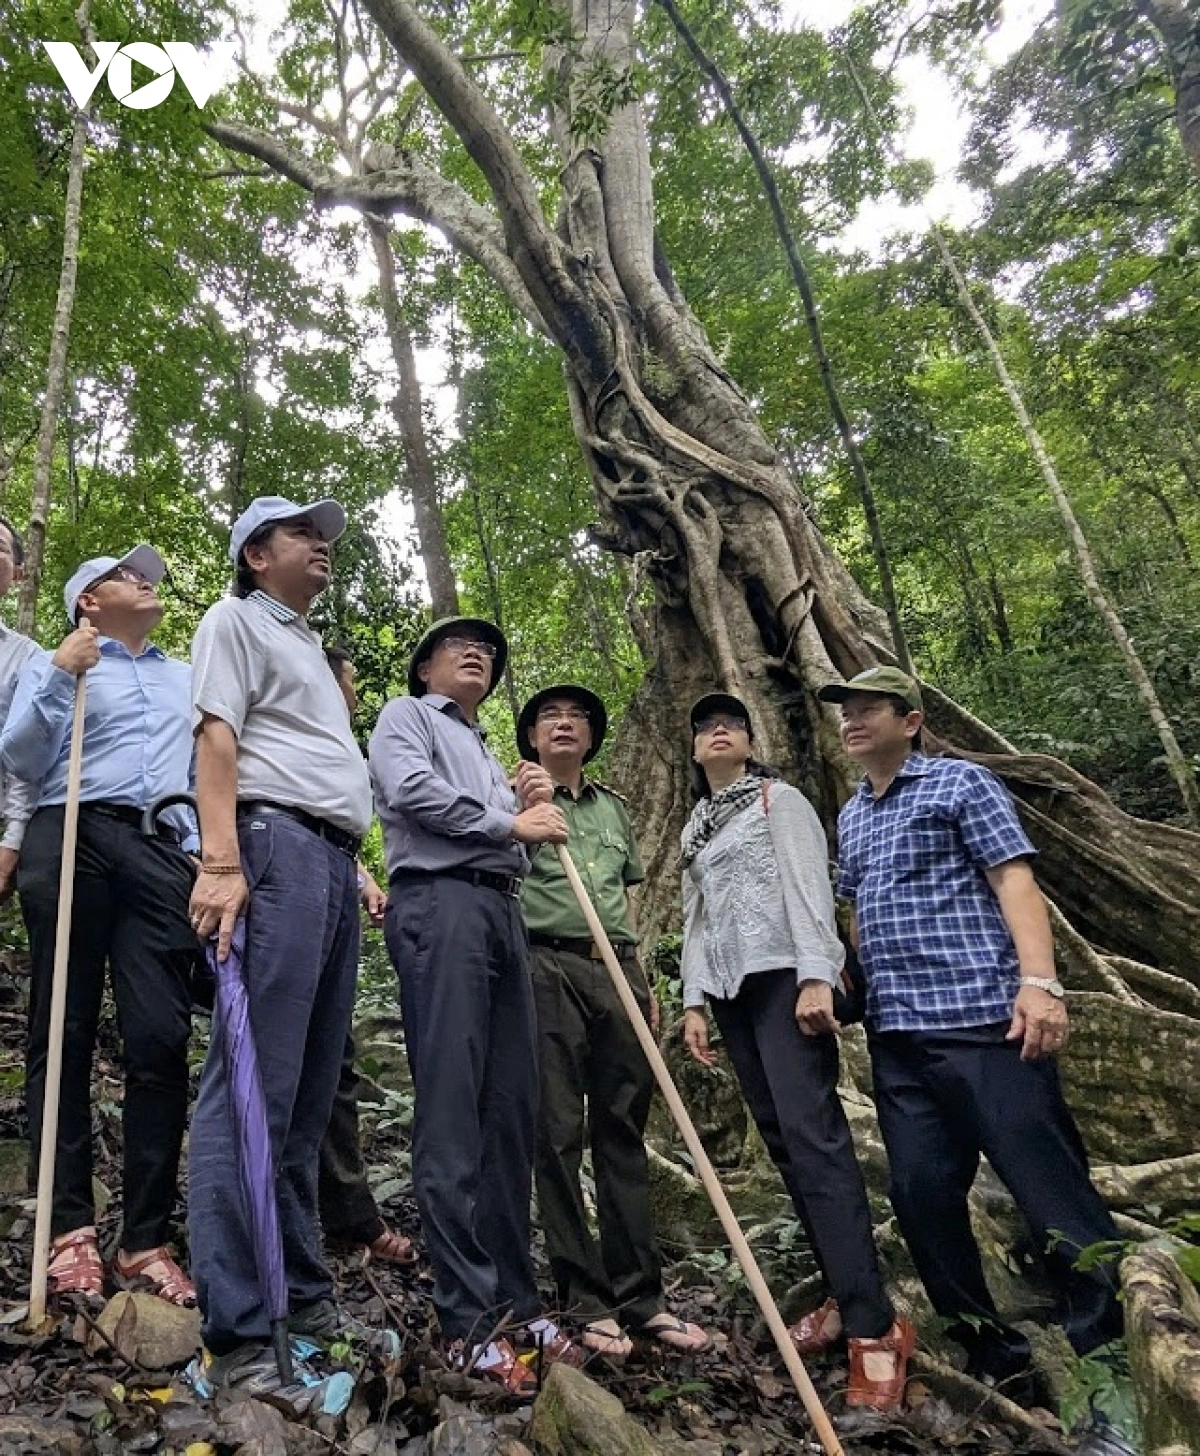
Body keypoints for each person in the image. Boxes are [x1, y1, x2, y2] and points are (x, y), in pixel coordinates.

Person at [818, 665, 1122, 1394]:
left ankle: (1111, 1364)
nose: (852, 721)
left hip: (986, 1023)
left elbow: (1013, 878)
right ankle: (997, 1359)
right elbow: (857, 909)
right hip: (899, 1041)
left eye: (869, 709)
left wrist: (1040, 984)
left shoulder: (961, 786)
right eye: (846, 711)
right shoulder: (853, 814)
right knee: (921, 1196)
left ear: (911, 719)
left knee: (1050, 1193)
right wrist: (845, 977)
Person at [187, 497, 384, 1398]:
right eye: (303, 533)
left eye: (323, 534)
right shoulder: (234, 619)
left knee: (306, 1094)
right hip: (270, 849)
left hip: (329, 863)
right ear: (256, 555)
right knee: (252, 1087)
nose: (321, 546)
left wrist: (353, 871)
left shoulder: (304, 642)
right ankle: (237, 1333)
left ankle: (302, 1300)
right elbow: (217, 735)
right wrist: (221, 860)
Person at [368, 618, 585, 1396]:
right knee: (454, 1107)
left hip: (501, 912)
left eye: (489, 650)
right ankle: (466, 1317)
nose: (478, 654)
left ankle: (517, 1302)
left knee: (510, 1112)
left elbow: (520, 846)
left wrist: (526, 811)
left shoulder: (497, 757)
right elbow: (409, 792)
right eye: (458, 646)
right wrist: (508, 820)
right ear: (425, 666)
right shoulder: (406, 717)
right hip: (440, 906)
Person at [680, 692, 913, 1413]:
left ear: (750, 743)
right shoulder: (696, 825)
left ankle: (876, 1330)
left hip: (787, 976)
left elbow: (812, 888)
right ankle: (846, 1297)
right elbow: (697, 916)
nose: (718, 731)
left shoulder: (779, 801)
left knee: (816, 1141)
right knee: (783, 1145)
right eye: (705, 728)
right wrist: (692, 999)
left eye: (732, 724)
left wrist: (818, 971)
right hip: (731, 991)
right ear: (693, 752)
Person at [1, 545, 199, 1305]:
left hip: (156, 847)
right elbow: (18, 755)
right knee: (65, 1027)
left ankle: (145, 1238)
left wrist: (201, 856)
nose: (144, 579)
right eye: (124, 575)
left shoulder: (186, 677)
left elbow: (199, 771)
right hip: (70, 830)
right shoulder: (62, 663)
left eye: (148, 572)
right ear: (89, 601)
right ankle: (70, 1231)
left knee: (161, 1035)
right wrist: (60, 671)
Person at [518, 684, 709, 1362]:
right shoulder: (515, 802)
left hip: (617, 968)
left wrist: (645, 981)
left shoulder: (613, 811)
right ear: (533, 738)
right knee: (558, 1132)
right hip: (546, 967)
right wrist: (517, 810)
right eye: (549, 717)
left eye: (576, 717)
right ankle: (585, 1299)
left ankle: (642, 1297)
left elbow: (627, 899)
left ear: (592, 738)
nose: (564, 724)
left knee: (622, 1128)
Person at [317, 644, 416, 1268]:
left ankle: (348, 1214)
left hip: (330, 887)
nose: (355, 692)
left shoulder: (339, 747)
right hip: (263, 894)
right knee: (279, 1058)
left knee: (335, 1059)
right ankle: (273, 1215)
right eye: (350, 680)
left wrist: (361, 877)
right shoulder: (267, 715)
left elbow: (328, 820)